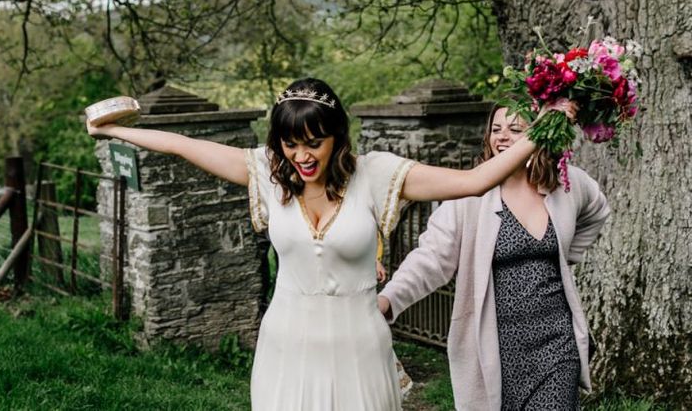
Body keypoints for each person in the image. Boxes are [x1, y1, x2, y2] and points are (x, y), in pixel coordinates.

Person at [87, 78, 571, 411]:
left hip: (359, 347)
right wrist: (110, 130)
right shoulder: (265, 173)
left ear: (337, 138)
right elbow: (179, 144)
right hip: (286, 345)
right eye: (290, 144)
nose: (301, 156)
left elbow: (474, 181)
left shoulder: (378, 175)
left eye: (313, 142)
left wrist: (552, 122)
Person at [377, 104, 610, 411]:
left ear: (539, 134)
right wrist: (389, 299)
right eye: (496, 129)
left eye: (515, 130)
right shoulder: (468, 198)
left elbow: (597, 211)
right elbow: (430, 258)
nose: (503, 137)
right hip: (496, 346)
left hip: (556, 342)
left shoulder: (566, 183)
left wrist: (568, 255)